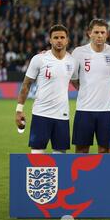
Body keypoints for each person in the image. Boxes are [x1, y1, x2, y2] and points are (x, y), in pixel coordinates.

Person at [15, 24, 75, 153]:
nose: (59, 40)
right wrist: (19, 110)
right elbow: (26, 85)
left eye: (62, 37)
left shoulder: (72, 61)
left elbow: (78, 83)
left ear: (67, 40)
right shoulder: (39, 59)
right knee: (37, 152)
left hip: (62, 115)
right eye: (56, 37)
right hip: (41, 113)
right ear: (50, 40)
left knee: (60, 156)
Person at [70, 19, 110, 153]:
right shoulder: (79, 52)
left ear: (107, 34)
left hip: (106, 110)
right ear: (89, 34)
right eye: (96, 32)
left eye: (102, 32)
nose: (99, 35)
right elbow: (74, 79)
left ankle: (103, 174)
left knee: (105, 149)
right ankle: (80, 175)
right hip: (84, 109)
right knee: (81, 149)